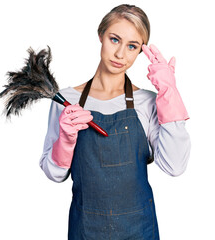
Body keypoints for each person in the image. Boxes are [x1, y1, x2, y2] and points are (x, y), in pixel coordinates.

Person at [39, 4, 191, 240]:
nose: (121, 54)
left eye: (132, 46)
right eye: (114, 39)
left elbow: (174, 167)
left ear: (140, 51)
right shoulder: (67, 101)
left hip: (139, 229)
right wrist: (66, 139)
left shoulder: (147, 102)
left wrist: (169, 92)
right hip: (86, 229)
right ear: (101, 35)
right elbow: (54, 174)